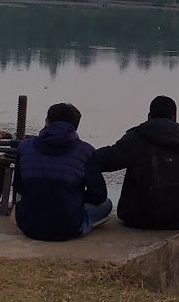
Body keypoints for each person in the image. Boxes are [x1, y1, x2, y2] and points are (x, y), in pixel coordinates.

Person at [94, 95, 179, 229]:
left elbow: (106, 160)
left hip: (139, 217)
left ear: (149, 116)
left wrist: (80, 155)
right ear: (174, 117)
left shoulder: (136, 139)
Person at [14, 101, 112, 241]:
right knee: (107, 204)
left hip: (29, 226)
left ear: (47, 121)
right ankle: (83, 223)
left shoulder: (24, 147)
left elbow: (19, 186)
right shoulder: (87, 151)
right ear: (76, 126)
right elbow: (98, 196)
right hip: (68, 228)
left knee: (25, 194)